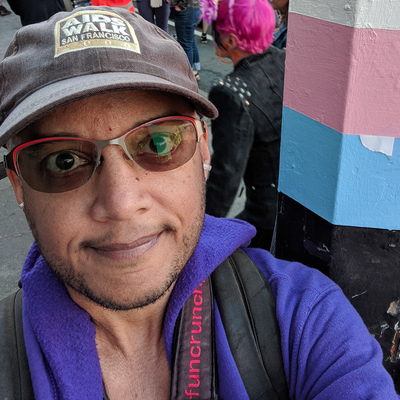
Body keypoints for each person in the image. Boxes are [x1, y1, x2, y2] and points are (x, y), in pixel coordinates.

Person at [0, 6, 398, 399]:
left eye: (159, 143)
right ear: (18, 185)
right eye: (63, 161)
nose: (122, 203)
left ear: (203, 150)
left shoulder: (304, 318)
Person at [203, 0, 284, 250]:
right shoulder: (283, 59)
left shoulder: (230, 93)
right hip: (288, 203)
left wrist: (199, 233)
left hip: (263, 216)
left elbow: (225, 176)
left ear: (230, 41)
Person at [169, 0, 201, 80]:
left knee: (186, 44)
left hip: (185, 8)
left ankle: (187, 75)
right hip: (193, 7)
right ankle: (194, 71)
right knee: (190, 41)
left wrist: (177, 5)